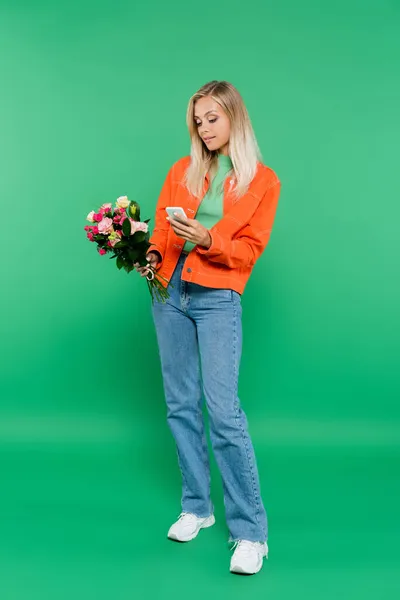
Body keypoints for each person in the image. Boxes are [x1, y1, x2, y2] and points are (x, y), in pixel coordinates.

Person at [134, 80, 281, 575]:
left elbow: (248, 251)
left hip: (218, 298)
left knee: (223, 412)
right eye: (198, 120)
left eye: (212, 118)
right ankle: (197, 506)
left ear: (234, 118)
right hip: (170, 292)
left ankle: (250, 533)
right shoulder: (184, 169)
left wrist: (208, 238)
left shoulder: (263, 181)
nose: (203, 127)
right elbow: (159, 226)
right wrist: (152, 255)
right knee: (179, 405)